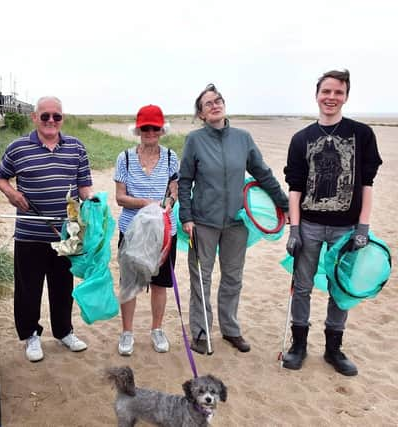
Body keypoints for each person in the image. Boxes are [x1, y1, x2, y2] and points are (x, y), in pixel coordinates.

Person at [283, 69, 383, 376]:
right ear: (317, 95)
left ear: (346, 96)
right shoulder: (302, 139)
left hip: (346, 227)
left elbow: (366, 183)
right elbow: (296, 188)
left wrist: (363, 227)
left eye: (338, 92)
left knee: (341, 287)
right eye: (326, 91)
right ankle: (298, 344)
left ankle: (333, 349)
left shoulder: (361, 134)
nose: (331, 97)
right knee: (302, 287)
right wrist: (295, 229)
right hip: (310, 224)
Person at [178, 83, 288, 355]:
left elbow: (263, 174)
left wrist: (284, 204)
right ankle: (201, 333)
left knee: (232, 278)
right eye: (208, 104)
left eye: (218, 100)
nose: (215, 105)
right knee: (200, 279)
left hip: (237, 222)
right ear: (201, 115)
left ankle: (230, 329)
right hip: (203, 222)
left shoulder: (243, 138)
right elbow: (185, 181)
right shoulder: (194, 140)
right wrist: (186, 216)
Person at [0, 96, 93, 362]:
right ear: (34, 117)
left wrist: (92, 205)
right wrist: (11, 195)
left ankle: (64, 332)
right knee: (29, 289)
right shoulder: (18, 147)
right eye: (45, 116)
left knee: (63, 287)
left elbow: (84, 186)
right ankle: (30, 335)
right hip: (29, 234)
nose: (51, 121)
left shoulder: (76, 147)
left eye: (56, 116)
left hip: (65, 234)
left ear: (63, 118)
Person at [114, 104, 179, 356]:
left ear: (162, 130)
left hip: (163, 232)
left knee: (160, 284)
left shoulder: (172, 157)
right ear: (138, 130)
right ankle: (127, 332)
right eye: (145, 128)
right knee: (129, 282)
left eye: (155, 128)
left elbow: (174, 191)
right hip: (131, 231)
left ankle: (157, 329)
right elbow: (120, 197)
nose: (150, 132)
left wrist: (168, 204)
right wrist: (147, 204)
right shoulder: (125, 158)